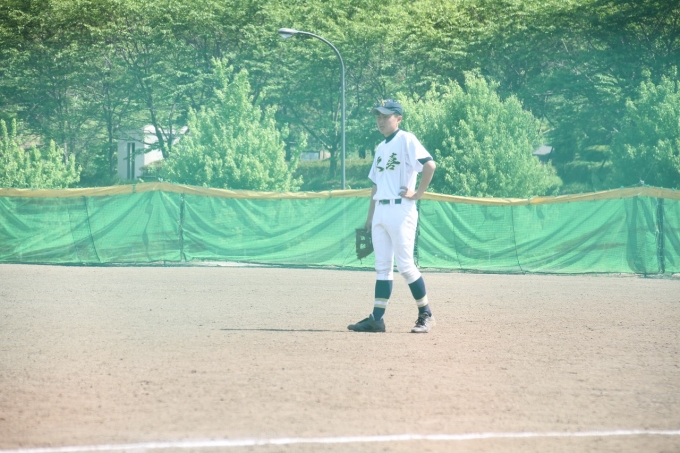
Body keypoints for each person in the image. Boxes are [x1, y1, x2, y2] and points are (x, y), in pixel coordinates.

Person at [348, 99, 437, 333]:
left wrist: (417, 194)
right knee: (382, 267)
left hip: (401, 209)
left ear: (398, 118)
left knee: (405, 266)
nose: (380, 120)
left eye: (385, 116)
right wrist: (370, 217)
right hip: (380, 210)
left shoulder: (406, 139)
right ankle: (376, 319)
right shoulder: (380, 147)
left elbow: (430, 165)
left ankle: (426, 314)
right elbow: (375, 185)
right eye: (378, 116)